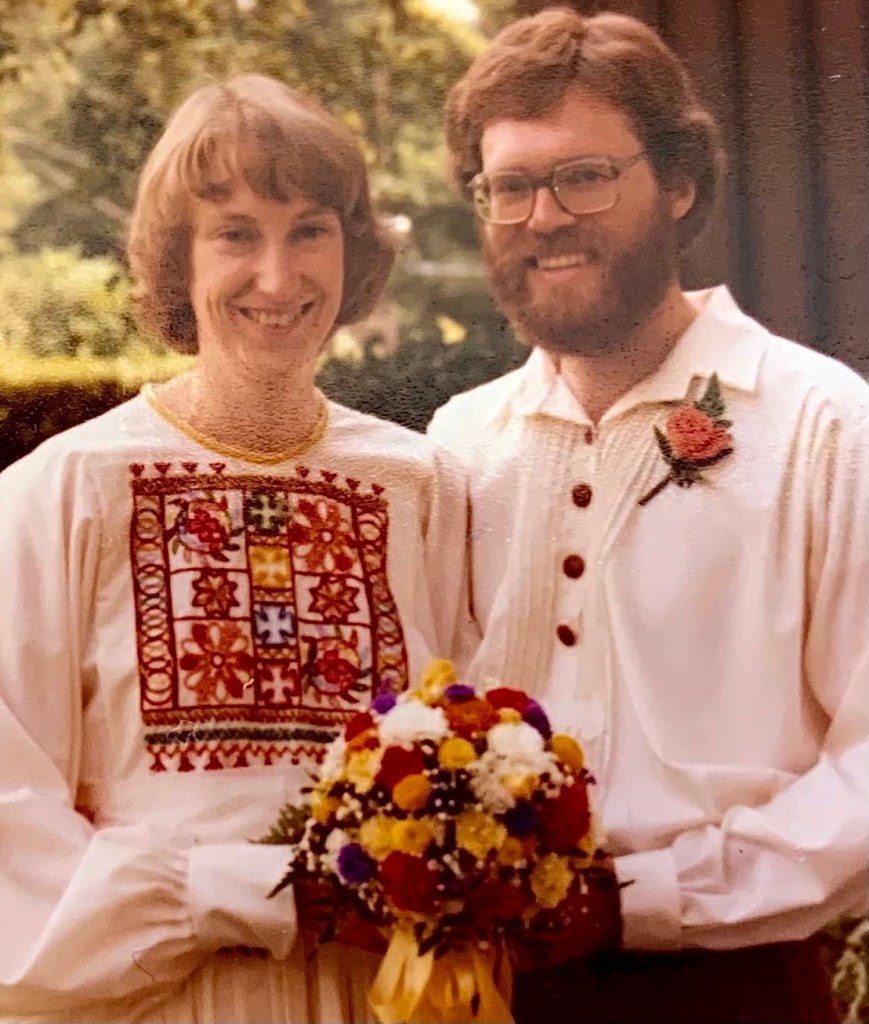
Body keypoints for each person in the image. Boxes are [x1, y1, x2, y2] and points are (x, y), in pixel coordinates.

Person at [0, 75, 475, 1023]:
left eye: (309, 231)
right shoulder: (65, 490)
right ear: (176, 258)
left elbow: (477, 731)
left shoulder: (421, 485)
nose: (277, 276)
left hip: (381, 994)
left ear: (352, 250)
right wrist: (237, 893)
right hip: (156, 997)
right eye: (234, 235)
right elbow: (13, 805)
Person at [428, 9, 868, 1023]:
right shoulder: (459, 442)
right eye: (509, 187)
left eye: (583, 176)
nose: (543, 216)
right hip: (486, 985)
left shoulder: (824, 424)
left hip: (734, 987)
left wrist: (647, 899)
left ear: (677, 182)